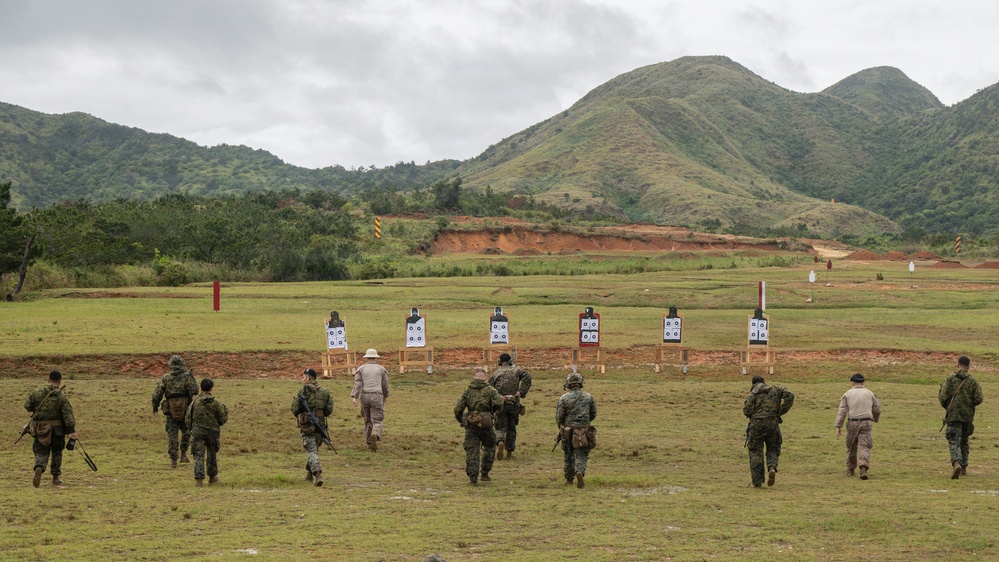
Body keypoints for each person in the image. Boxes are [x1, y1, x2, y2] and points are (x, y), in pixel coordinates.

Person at [23, 370, 78, 487]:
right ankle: (55, 477)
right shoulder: (61, 396)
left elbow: (27, 405)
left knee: (41, 451)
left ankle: (39, 467)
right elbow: (67, 415)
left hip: (41, 429)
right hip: (58, 431)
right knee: (57, 452)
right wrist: (71, 431)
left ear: (48, 379)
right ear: (60, 381)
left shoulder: (36, 392)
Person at [453, 368, 504, 485]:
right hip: (487, 424)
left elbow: (458, 408)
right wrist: (494, 412)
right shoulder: (490, 390)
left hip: (471, 424)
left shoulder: (468, 390)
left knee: (472, 451)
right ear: (485, 377)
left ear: (474, 376)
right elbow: (500, 401)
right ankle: (485, 473)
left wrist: (461, 419)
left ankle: (473, 478)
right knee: (490, 447)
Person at [743, 375, 794, 488]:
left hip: (756, 424)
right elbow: (790, 395)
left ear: (753, 383)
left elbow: (747, 410)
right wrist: (780, 411)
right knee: (772, 448)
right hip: (772, 423)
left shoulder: (753, 393)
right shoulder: (775, 389)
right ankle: (772, 467)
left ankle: (757, 481)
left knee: (756, 451)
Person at [939, 356, 983, 479]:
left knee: (954, 440)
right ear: (968, 366)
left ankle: (956, 463)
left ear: (957, 365)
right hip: (967, 416)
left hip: (953, 415)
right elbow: (979, 398)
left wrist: (947, 407)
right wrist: (969, 404)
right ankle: (963, 468)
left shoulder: (949, 379)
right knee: (964, 441)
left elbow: (942, 396)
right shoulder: (972, 381)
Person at [151, 355, 198, 468]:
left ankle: (173, 460)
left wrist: (155, 407)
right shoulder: (187, 377)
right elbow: (195, 390)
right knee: (187, 431)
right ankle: (183, 454)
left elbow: (157, 394)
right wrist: (192, 378)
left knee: (172, 435)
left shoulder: (165, 378)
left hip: (170, 409)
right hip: (185, 408)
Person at [833, 373, 882, 479]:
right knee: (864, 445)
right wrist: (876, 419)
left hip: (852, 423)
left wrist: (838, 426)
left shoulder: (847, 394)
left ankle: (850, 469)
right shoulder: (870, 394)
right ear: (863, 382)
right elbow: (877, 409)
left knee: (851, 446)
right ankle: (863, 467)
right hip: (866, 423)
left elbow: (842, 411)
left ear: (852, 382)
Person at [292, 368, 334, 486]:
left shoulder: (303, 391)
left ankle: (317, 474)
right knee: (314, 449)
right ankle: (309, 475)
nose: (302, 379)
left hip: (307, 425)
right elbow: (329, 409)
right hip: (320, 425)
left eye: (304, 377)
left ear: (308, 378)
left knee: (311, 450)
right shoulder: (324, 392)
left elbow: (295, 409)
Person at [556, 372, 597, 488]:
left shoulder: (563, 398)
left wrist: (561, 428)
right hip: (584, 431)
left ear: (568, 384)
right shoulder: (589, 397)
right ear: (580, 383)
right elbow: (593, 414)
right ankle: (579, 471)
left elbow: (559, 417)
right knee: (582, 454)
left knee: (568, 455)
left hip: (568, 431)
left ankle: (569, 480)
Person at [488, 353, 532, 460]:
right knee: (511, 428)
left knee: (499, 427)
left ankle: (500, 442)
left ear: (500, 362)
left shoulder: (495, 374)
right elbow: (527, 376)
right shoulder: (517, 370)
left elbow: (489, 389)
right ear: (510, 361)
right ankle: (509, 454)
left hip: (500, 404)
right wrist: (521, 392)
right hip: (513, 404)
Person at [185, 378, 228, 487]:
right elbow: (223, 418)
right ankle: (212, 477)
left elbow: (188, 418)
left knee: (198, 455)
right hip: (212, 432)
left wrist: (191, 430)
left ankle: (199, 481)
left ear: (200, 388)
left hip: (198, 432)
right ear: (212, 389)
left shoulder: (194, 402)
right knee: (212, 454)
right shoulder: (216, 403)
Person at [351, 348, 390, 452]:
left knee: (367, 419)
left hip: (365, 396)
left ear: (366, 357)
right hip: (377, 396)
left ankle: (368, 443)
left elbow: (358, 384)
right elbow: (385, 384)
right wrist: (385, 396)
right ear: (376, 357)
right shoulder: (382, 369)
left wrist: (355, 397)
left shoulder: (361, 369)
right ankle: (375, 433)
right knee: (377, 419)